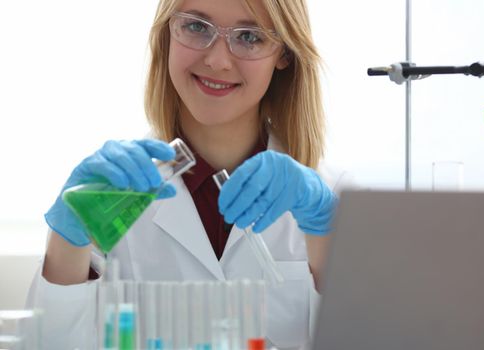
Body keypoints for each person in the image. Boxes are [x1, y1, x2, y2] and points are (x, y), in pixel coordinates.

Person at [26, 0, 349, 349]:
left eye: (250, 36)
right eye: (196, 27)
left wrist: (329, 235)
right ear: (168, 34)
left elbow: (369, 337)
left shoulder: (328, 198)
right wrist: (65, 242)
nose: (217, 60)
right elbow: (45, 343)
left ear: (284, 54)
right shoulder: (115, 192)